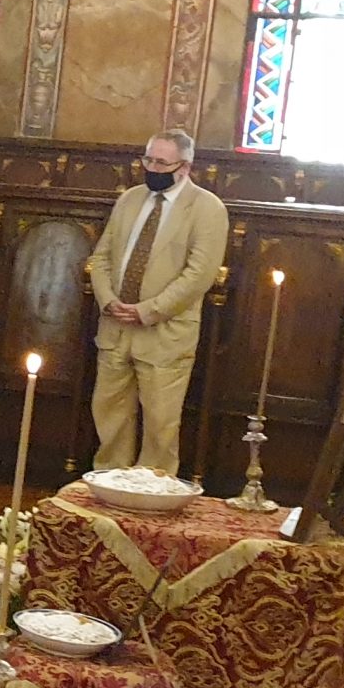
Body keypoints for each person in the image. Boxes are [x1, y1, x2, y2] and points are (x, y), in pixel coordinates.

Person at [85, 129, 230, 477]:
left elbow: (199, 275)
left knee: (160, 424)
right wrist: (108, 300)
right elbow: (101, 257)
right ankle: (109, 483)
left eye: (161, 163)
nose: (152, 168)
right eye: (148, 160)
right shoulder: (130, 199)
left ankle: (152, 492)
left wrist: (147, 310)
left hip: (165, 333)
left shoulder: (207, 209)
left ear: (185, 167)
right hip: (116, 326)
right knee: (109, 413)